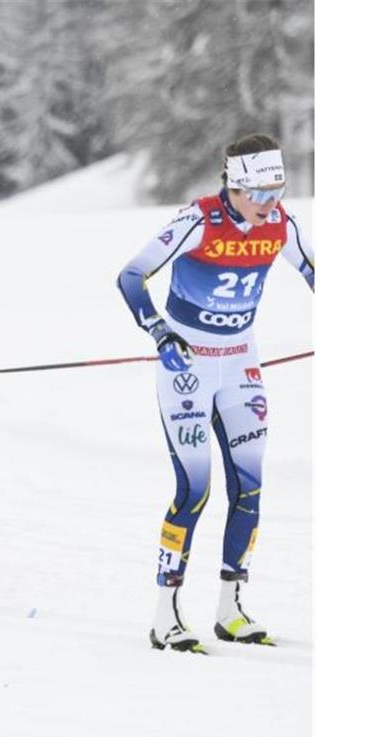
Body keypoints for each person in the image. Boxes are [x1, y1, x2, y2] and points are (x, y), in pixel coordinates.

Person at [116, 134, 314, 653]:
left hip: (241, 365)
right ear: (233, 185)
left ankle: (230, 608)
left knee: (249, 488)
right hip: (188, 366)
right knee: (194, 491)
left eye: (278, 190)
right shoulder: (198, 219)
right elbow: (131, 275)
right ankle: (165, 616)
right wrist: (160, 332)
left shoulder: (280, 224)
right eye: (259, 193)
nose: (269, 204)